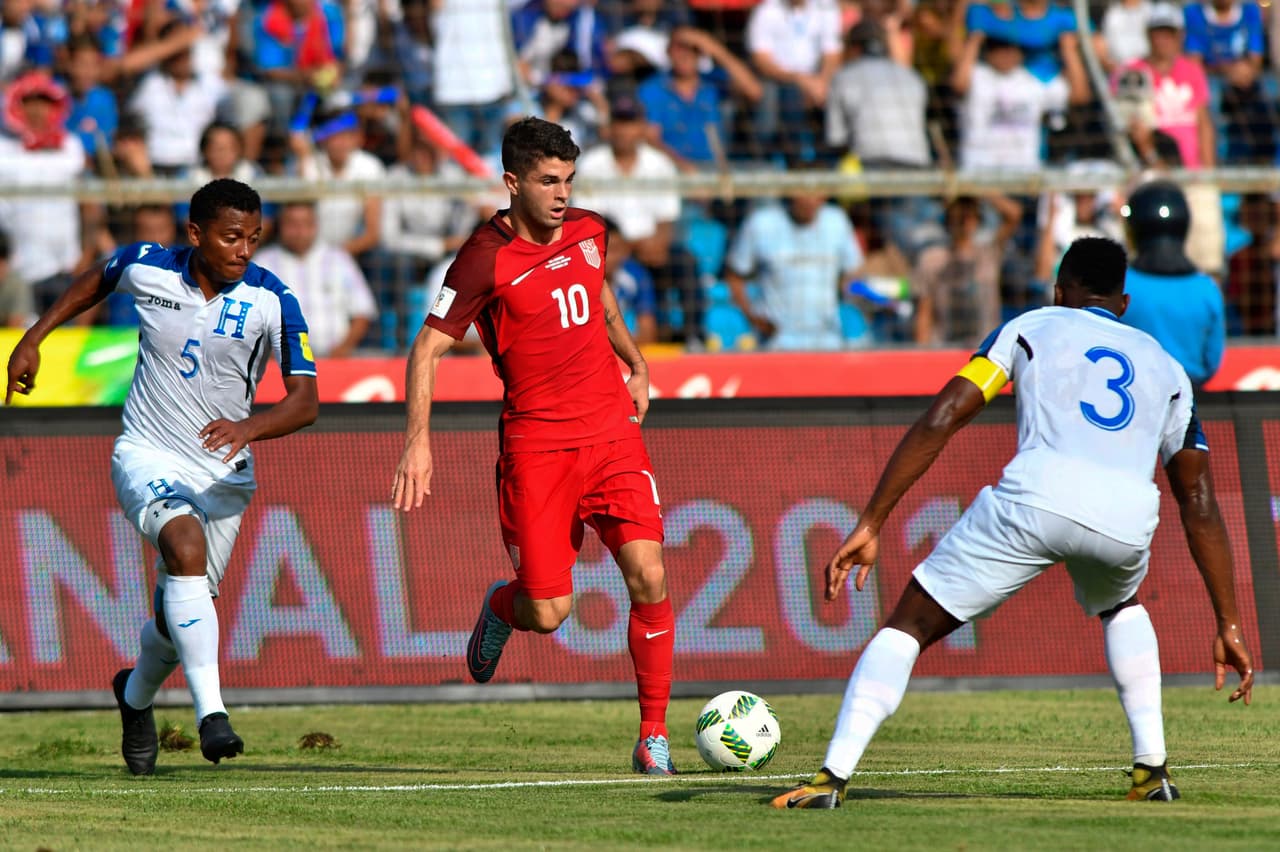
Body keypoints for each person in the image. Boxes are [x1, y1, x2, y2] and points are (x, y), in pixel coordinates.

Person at [771, 237, 1254, 809]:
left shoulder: (1033, 324)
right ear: (1122, 303)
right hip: (1127, 519)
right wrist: (1229, 622)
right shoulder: (1168, 366)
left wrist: (873, 521)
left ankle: (831, 778)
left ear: (1060, 291)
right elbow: (1198, 501)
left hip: (1036, 498)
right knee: (1121, 605)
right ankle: (1152, 772)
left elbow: (943, 417)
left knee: (909, 625)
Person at [4, 179, 319, 775]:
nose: (243, 250)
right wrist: (34, 338)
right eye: (231, 238)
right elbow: (98, 278)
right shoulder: (147, 265)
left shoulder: (273, 299)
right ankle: (212, 717)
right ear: (195, 234)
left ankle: (133, 694)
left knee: (178, 622)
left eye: (253, 238)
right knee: (184, 543)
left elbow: (304, 402)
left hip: (223, 473)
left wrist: (248, 428)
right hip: (147, 453)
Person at [392, 117, 676, 775]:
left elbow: (599, 298)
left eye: (569, 180)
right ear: (512, 182)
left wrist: (635, 364)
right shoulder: (482, 258)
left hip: (610, 435)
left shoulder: (589, 231)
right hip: (537, 450)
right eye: (549, 181)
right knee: (547, 612)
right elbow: (427, 347)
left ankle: (653, 736)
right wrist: (418, 443)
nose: (561, 195)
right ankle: (501, 607)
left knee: (651, 573)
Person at [724, 183, 864, 350]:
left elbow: (854, 274)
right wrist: (753, 318)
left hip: (828, 341)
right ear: (790, 192)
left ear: (824, 196)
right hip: (778, 343)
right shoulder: (762, 224)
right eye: (804, 191)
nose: (810, 200)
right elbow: (734, 276)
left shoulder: (837, 222)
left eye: (816, 192)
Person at [1118, 180, 1225, 387]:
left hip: (1131, 403)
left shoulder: (1118, 287)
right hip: (1189, 402)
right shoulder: (1207, 289)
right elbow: (1211, 363)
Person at [255, 200, 378, 357]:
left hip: (333, 360)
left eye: (306, 224)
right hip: (282, 362)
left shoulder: (339, 259)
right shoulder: (263, 263)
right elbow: (251, 319)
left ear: (315, 225)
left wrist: (342, 350)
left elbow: (363, 311)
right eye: (292, 224)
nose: (300, 231)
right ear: (281, 225)